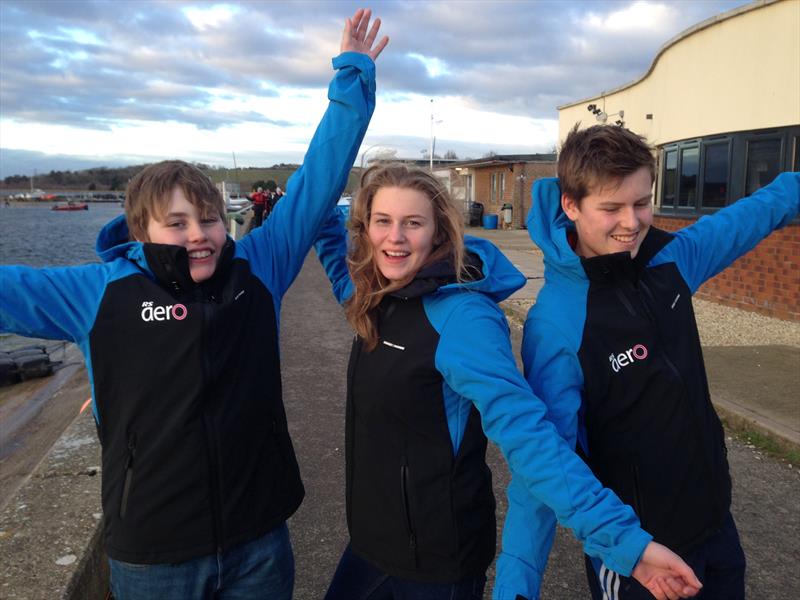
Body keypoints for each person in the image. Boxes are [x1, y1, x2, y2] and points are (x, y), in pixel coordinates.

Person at [0, 9, 387, 599]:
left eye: (207, 218)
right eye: (176, 223)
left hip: (258, 537)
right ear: (141, 230)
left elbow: (318, 180)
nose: (198, 234)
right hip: (154, 555)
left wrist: (352, 79)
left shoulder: (258, 268)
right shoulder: (96, 293)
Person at [313, 163, 703, 600]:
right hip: (368, 547)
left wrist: (626, 544)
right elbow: (331, 249)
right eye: (383, 222)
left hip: (433, 568)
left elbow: (530, 438)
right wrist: (314, 194)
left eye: (413, 223)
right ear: (366, 228)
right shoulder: (374, 293)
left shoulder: (463, 319)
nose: (395, 237)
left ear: (439, 230)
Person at [496, 124, 799, 600]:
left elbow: (754, 214)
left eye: (642, 202)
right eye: (611, 208)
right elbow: (542, 462)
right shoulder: (556, 323)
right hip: (639, 554)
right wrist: (517, 586)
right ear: (571, 206)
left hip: (715, 524)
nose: (632, 222)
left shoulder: (671, 260)